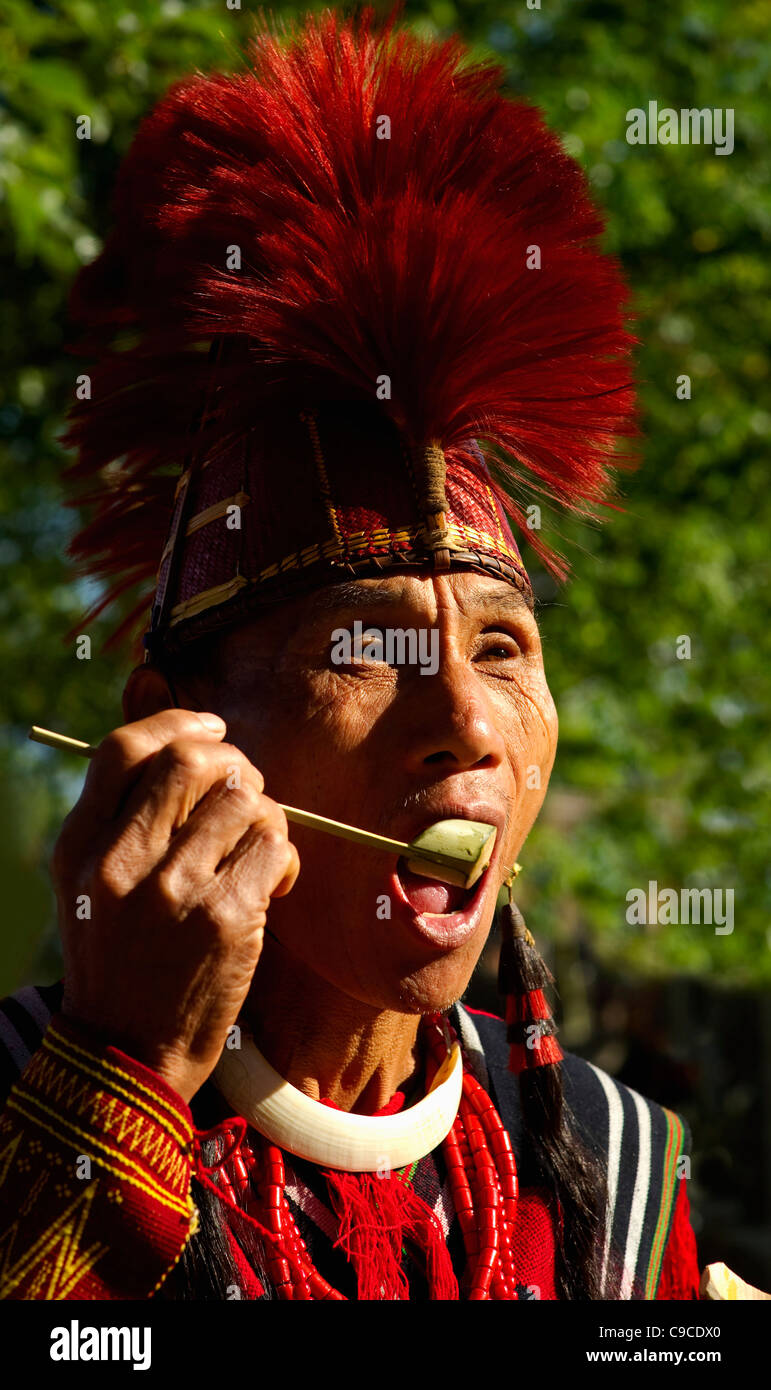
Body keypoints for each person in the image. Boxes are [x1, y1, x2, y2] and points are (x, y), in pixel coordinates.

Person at [0, 9, 702, 1301]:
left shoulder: (611, 1164)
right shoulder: (26, 1094)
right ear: (177, 729)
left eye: (503, 647)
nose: (471, 725)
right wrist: (120, 1074)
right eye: (364, 647)